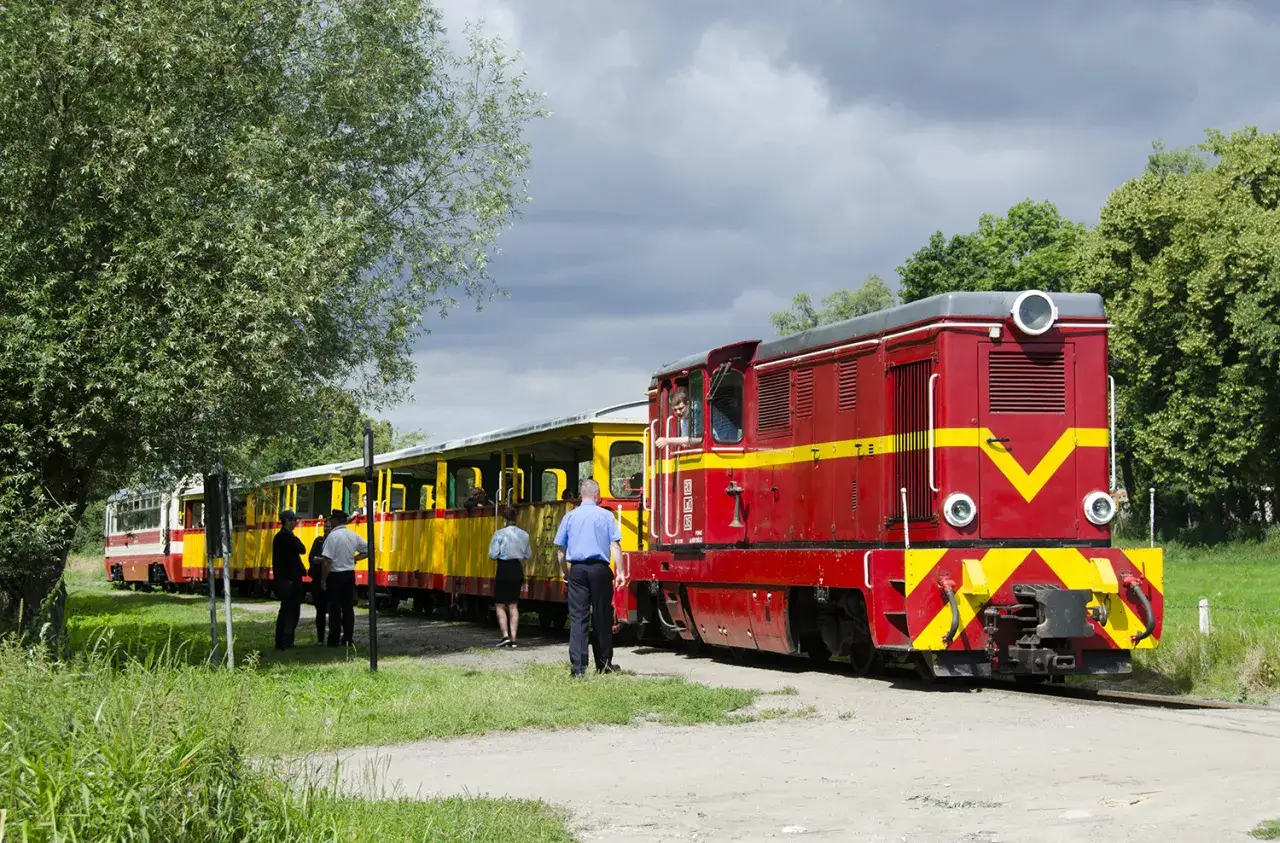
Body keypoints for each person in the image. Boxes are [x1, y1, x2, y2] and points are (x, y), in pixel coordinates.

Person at [553, 478, 623, 677]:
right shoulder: (606, 516)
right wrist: (621, 572)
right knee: (602, 617)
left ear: (581, 496)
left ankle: (578, 668)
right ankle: (604, 664)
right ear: (598, 495)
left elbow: (560, 551)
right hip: (600, 570)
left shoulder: (570, 517)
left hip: (578, 570)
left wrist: (566, 573)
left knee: (578, 619)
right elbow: (615, 546)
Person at [319, 508, 367, 647]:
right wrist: (355, 558)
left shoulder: (332, 537)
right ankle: (348, 638)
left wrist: (323, 580)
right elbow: (368, 549)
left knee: (335, 608)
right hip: (349, 574)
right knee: (347, 608)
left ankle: (333, 639)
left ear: (334, 521)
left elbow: (327, 561)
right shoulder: (353, 535)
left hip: (335, 575)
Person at [488, 505, 531, 648]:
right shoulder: (524, 535)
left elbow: (492, 554)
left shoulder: (499, 534)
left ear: (504, 519)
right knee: (513, 605)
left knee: (500, 604)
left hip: (504, 568)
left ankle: (505, 635)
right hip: (517, 568)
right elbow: (528, 555)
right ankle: (514, 639)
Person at [271, 509, 307, 650]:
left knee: (287, 611)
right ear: (287, 521)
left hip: (285, 579)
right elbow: (301, 548)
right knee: (290, 612)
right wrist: (294, 536)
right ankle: (286, 641)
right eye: (294, 520)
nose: (296, 523)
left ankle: (283, 641)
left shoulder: (280, 537)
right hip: (289, 580)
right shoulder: (286, 536)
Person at [307, 514, 330, 645]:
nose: (326, 529)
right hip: (317, 578)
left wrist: (320, 559)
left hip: (330, 579)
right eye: (325, 527)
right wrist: (322, 560)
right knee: (320, 610)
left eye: (329, 527)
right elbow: (311, 557)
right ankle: (320, 638)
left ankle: (334, 637)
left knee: (333, 609)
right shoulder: (318, 541)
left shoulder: (334, 541)